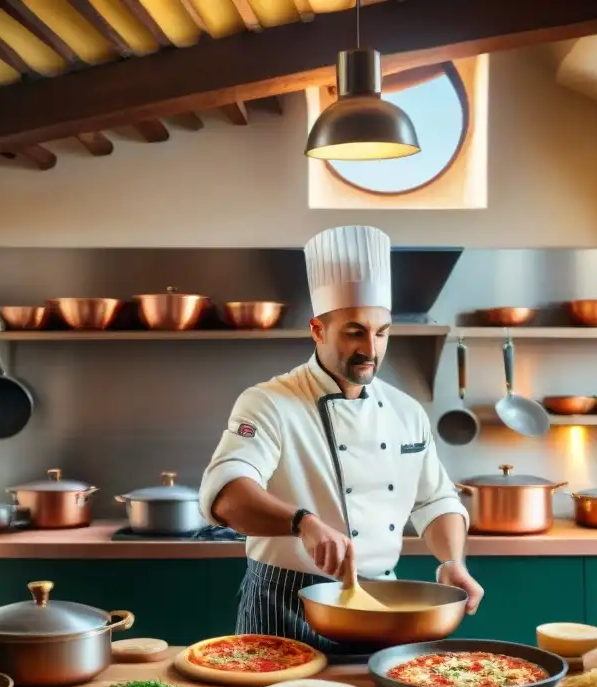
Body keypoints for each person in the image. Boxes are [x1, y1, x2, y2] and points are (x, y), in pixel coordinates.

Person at [199, 224, 483, 653]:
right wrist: (303, 523)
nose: (371, 348)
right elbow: (225, 495)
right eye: (355, 331)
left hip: (380, 605)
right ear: (317, 330)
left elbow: (435, 500)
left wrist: (452, 561)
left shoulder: (406, 411)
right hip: (284, 606)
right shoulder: (269, 402)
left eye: (382, 332)